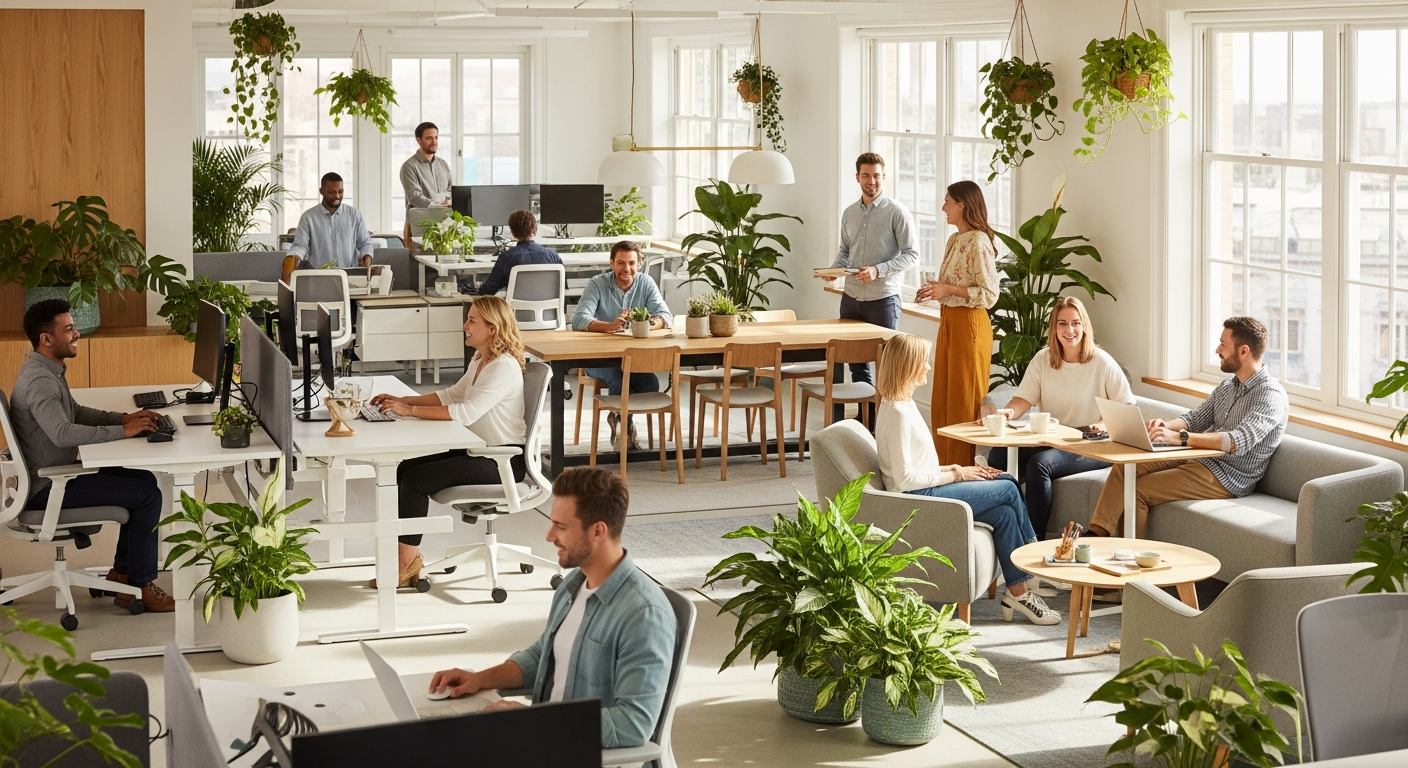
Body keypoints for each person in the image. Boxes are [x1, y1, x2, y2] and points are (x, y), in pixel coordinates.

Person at [428, 467, 676, 749]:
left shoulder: (644, 616)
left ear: (597, 531)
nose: (548, 536)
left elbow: (632, 725)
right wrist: (478, 680)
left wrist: (533, 722)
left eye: (561, 526)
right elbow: (543, 656)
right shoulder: (574, 584)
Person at [873, 333, 1059, 625]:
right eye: (923, 361)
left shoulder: (903, 405)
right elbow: (905, 479)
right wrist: (957, 474)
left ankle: (1018, 592)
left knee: (1004, 513)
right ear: (908, 365)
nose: (928, 367)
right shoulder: (896, 412)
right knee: (1009, 486)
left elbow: (919, 465)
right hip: (917, 499)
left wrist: (958, 468)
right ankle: (1034, 558)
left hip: (928, 488)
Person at [9, 300, 174, 612]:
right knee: (148, 496)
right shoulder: (40, 381)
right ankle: (140, 585)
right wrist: (121, 432)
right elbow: (62, 432)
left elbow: (75, 411)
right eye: (68, 329)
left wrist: (122, 418)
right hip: (49, 488)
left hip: (57, 473)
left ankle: (122, 573)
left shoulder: (46, 368)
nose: (77, 334)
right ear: (46, 339)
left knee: (144, 479)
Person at [368, 296, 527, 588]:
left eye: (472, 321)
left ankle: (405, 564)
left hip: (501, 460)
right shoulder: (482, 358)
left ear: (491, 328)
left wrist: (410, 411)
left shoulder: (502, 367)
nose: (464, 325)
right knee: (403, 468)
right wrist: (403, 399)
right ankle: (407, 553)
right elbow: (453, 395)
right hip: (478, 451)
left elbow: (465, 413)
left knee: (415, 479)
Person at [1085, 316, 1288, 537]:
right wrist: (1166, 426)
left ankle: (1124, 558)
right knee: (1126, 466)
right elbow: (1196, 419)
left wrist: (1180, 438)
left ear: (1243, 351)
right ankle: (1095, 536)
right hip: (1199, 456)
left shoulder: (1270, 395)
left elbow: (1236, 441)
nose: (1217, 350)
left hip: (1227, 476)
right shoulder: (1229, 385)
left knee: (1139, 490)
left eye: (1223, 344)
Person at [986, 296, 1135, 536]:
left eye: (1076, 323)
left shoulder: (1102, 362)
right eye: (1062, 323)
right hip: (1054, 438)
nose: (1070, 330)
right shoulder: (1043, 359)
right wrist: (1008, 413)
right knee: (998, 455)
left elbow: (1126, 407)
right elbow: (1023, 399)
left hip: (1092, 444)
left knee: (1039, 465)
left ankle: (1032, 539)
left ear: (1084, 326)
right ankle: (1006, 526)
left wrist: (1100, 424)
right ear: (1054, 328)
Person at [823, 152, 918, 423]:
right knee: (857, 365)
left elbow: (912, 255)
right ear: (857, 178)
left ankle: (887, 426)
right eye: (866, 175)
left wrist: (878, 270)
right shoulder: (850, 213)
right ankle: (868, 425)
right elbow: (845, 251)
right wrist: (833, 271)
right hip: (851, 298)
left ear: (884, 177)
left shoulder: (896, 212)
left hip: (883, 300)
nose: (872, 181)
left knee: (888, 368)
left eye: (877, 175)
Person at [917, 180, 1000, 465]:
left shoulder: (979, 241)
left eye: (947, 201)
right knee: (943, 399)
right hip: (949, 323)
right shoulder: (955, 240)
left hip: (971, 328)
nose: (943, 207)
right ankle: (943, 467)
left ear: (962, 205)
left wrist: (949, 291)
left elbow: (989, 294)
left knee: (964, 401)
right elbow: (954, 285)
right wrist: (935, 290)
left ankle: (964, 471)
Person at [571, 241, 671, 451]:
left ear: (639, 264)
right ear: (612, 263)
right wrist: (609, 326)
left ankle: (618, 418)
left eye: (632, 263)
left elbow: (665, 316)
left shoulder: (646, 283)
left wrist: (646, 325)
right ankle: (624, 430)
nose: (626, 269)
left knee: (650, 384)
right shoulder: (597, 283)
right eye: (621, 263)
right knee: (618, 378)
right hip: (597, 358)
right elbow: (578, 320)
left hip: (631, 358)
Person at [287, 172, 373, 269]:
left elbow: (365, 243)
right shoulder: (308, 217)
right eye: (332, 192)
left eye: (340, 191)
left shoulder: (355, 215)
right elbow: (300, 245)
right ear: (321, 191)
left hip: (349, 276)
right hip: (319, 276)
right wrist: (293, 258)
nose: (337, 196)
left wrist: (366, 256)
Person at [476, 209, 564, 296]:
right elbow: (563, 288)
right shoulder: (553, 256)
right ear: (535, 230)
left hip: (514, 310)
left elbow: (488, 291)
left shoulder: (506, 258)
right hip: (550, 309)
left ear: (512, 232)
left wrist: (476, 288)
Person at [399, 121, 453, 245]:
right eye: (429, 138)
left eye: (436, 137)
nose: (434, 142)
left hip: (443, 225)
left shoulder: (443, 164)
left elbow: (450, 190)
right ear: (418, 140)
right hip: (417, 225)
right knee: (416, 264)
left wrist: (449, 201)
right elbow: (415, 197)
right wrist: (437, 206)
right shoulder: (409, 166)